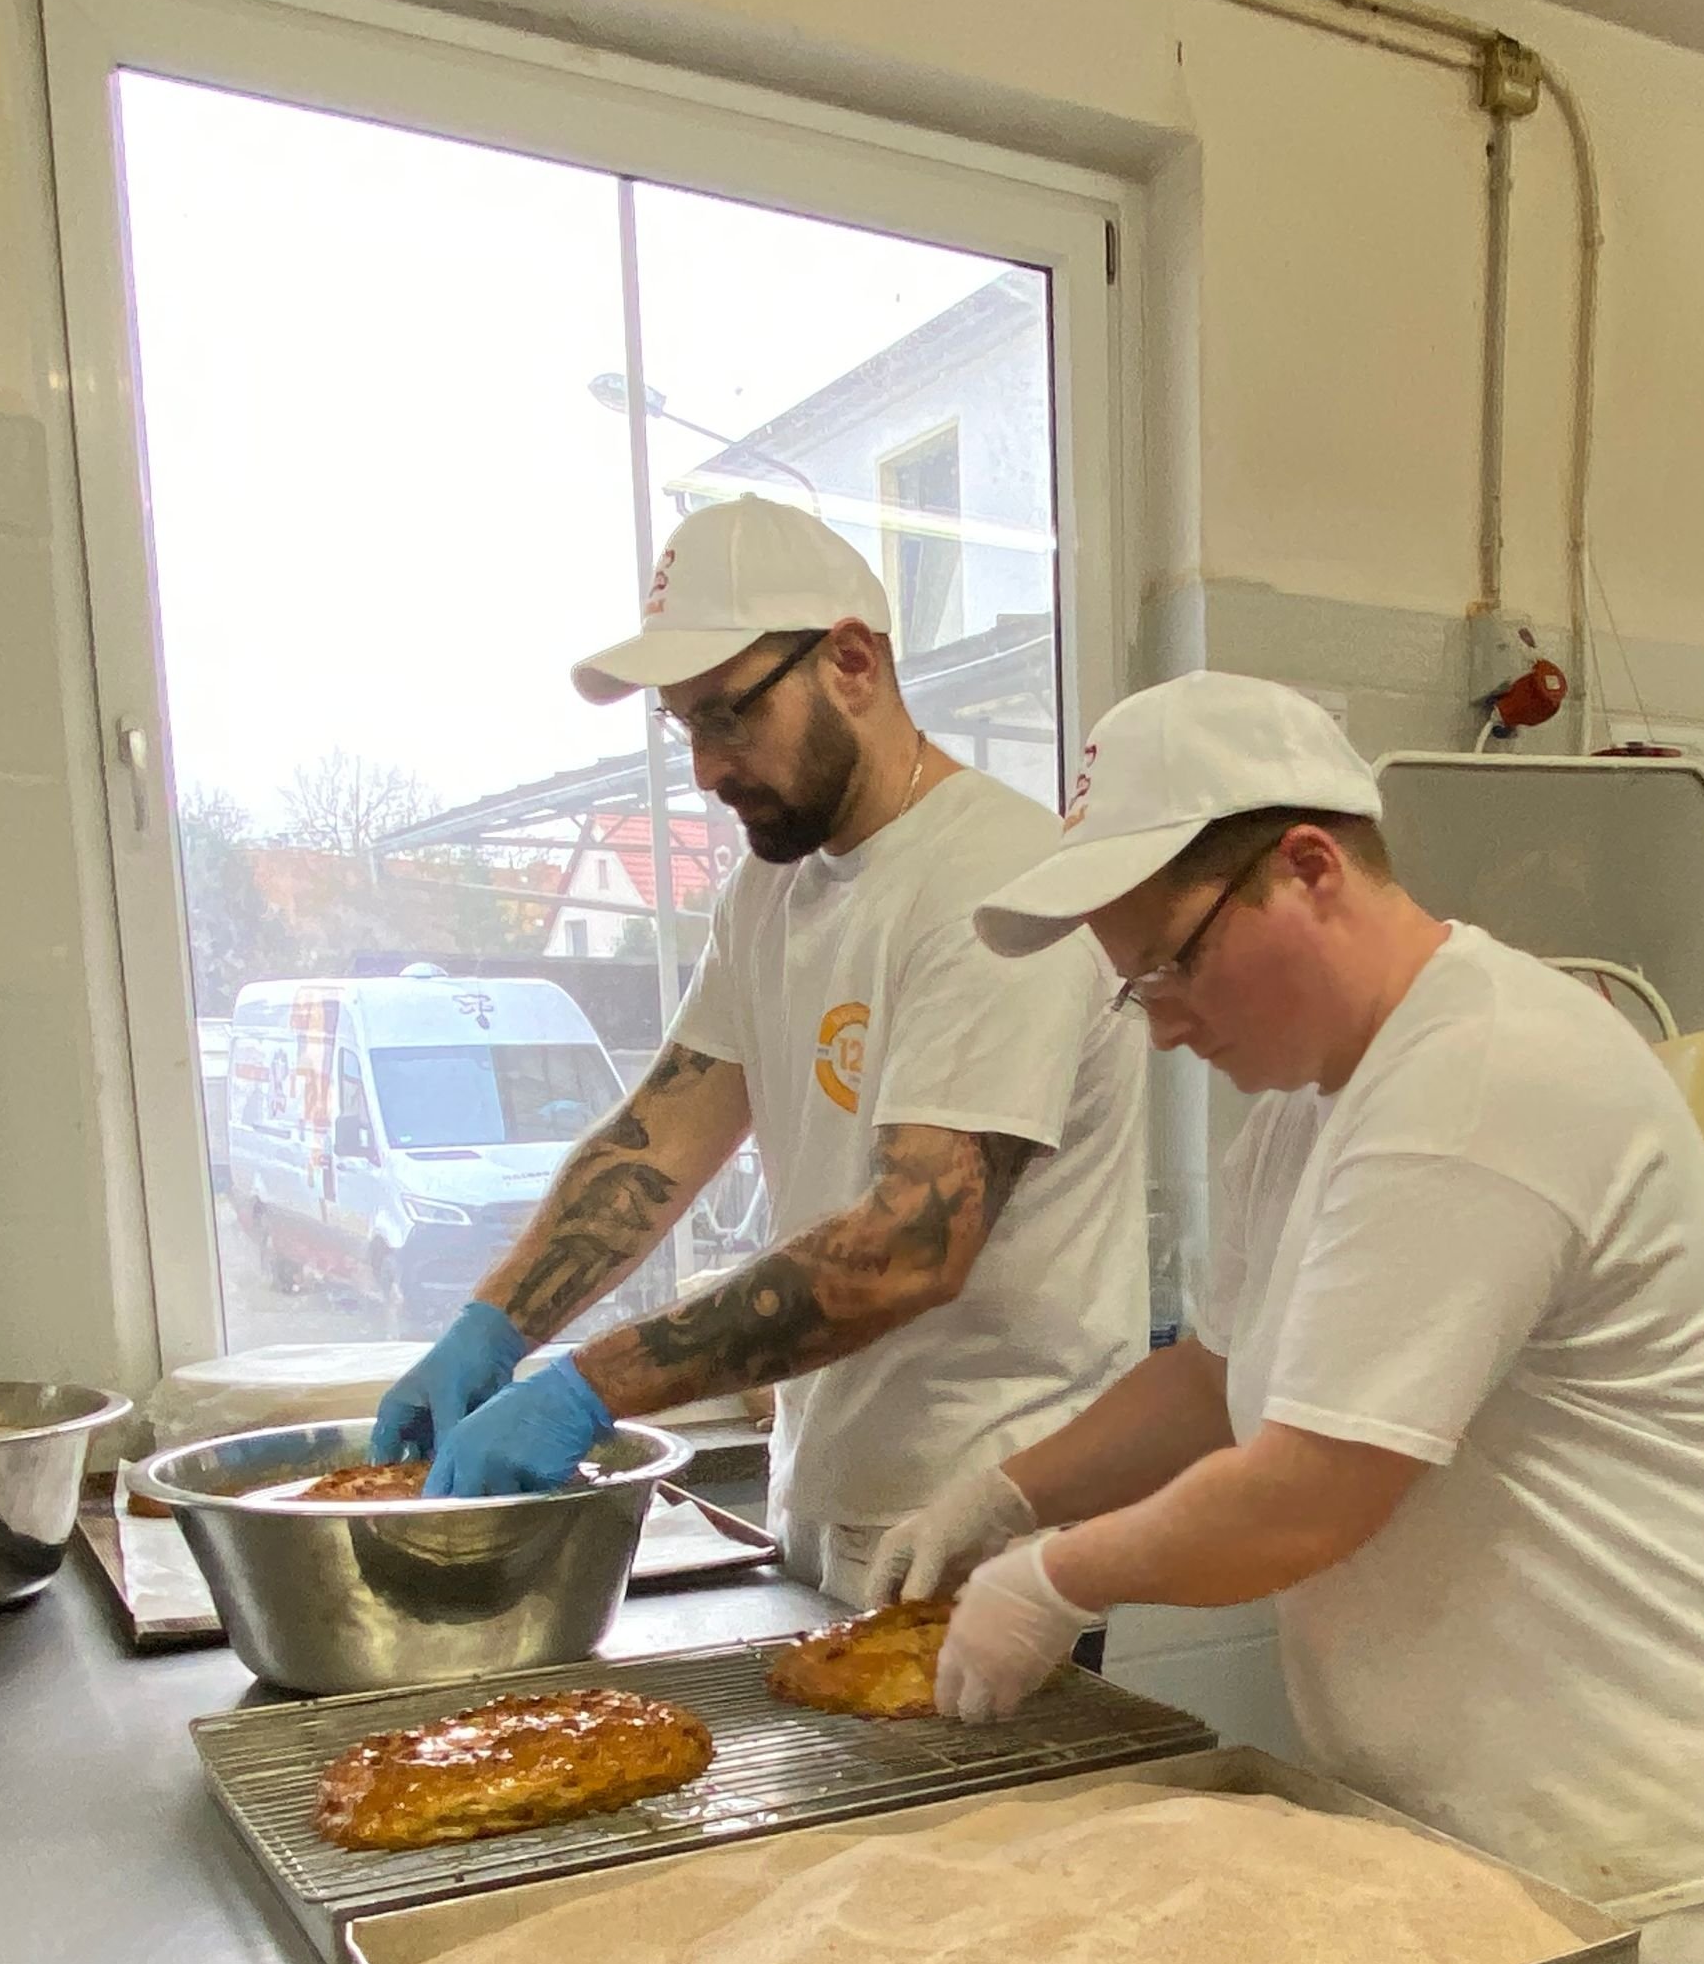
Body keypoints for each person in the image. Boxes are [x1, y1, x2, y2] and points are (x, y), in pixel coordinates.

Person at [865, 672, 1704, 1964]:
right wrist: (1003, 1493)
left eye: (1169, 966)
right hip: (1504, 1808)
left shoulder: (1484, 1074)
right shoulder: (1302, 1108)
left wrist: (1054, 1579)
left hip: (1687, 1805)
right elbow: (1212, 1382)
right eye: (1134, 993)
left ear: (1307, 869)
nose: (1162, 1023)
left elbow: (1306, 1495)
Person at [372, 497, 1146, 1598]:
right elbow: (658, 1141)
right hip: (831, 1502)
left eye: (727, 714)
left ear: (851, 663)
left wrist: (588, 1387)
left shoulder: (992, 878)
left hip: (991, 1535)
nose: (704, 767)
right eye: (679, 725)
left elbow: (914, 1242)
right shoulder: (771, 888)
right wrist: (492, 1323)